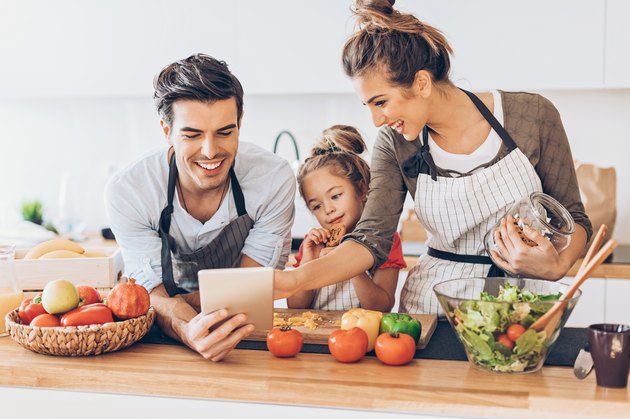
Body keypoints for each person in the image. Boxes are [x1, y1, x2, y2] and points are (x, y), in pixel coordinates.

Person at [274, 0, 592, 314]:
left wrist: (557, 266)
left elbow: (575, 217)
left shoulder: (532, 116)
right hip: (433, 307)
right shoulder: (395, 142)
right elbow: (370, 241)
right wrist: (295, 280)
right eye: (368, 106)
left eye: (381, 102)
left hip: (521, 305)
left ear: (422, 83)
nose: (376, 120)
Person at [105, 53, 296, 361]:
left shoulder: (273, 180)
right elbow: (151, 295)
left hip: (248, 332)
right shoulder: (129, 190)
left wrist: (174, 304)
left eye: (225, 132)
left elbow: (250, 289)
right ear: (167, 132)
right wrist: (183, 325)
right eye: (192, 135)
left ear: (240, 122)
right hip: (161, 342)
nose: (210, 152)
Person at [288, 125, 406, 311]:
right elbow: (295, 306)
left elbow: (382, 307)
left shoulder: (386, 240)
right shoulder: (315, 244)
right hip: (318, 335)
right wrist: (309, 262)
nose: (328, 209)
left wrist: (349, 263)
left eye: (335, 196)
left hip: (363, 336)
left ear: (362, 189)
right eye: (316, 206)